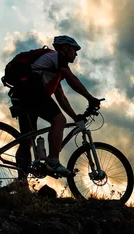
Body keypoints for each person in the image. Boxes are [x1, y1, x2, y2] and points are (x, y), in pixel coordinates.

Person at [11, 35, 101, 177]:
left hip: (23, 95)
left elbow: (61, 98)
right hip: (31, 92)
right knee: (59, 120)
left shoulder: (53, 71)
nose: (76, 53)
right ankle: (53, 161)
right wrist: (91, 98)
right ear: (64, 48)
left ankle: (21, 182)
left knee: (27, 140)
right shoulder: (56, 57)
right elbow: (73, 80)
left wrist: (75, 116)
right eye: (74, 50)